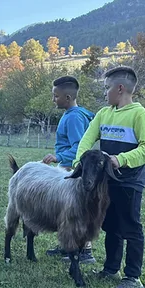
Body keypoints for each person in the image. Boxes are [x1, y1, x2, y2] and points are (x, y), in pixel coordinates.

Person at [74, 66, 145, 288]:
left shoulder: (140, 115)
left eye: (107, 88)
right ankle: (110, 269)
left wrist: (121, 160)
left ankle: (132, 277)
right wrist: (78, 163)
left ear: (120, 88)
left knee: (130, 226)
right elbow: (86, 140)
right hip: (106, 183)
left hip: (130, 182)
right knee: (110, 225)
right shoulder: (103, 114)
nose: (105, 93)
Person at [41, 76, 96, 264]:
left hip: (71, 169)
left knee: (77, 210)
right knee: (65, 211)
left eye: (55, 96)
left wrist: (59, 158)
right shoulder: (70, 114)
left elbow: (80, 147)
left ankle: (85, 251)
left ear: (68, 97)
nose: (53, 100)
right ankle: (66, 244)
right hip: (65, 168)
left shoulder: (74, 117)